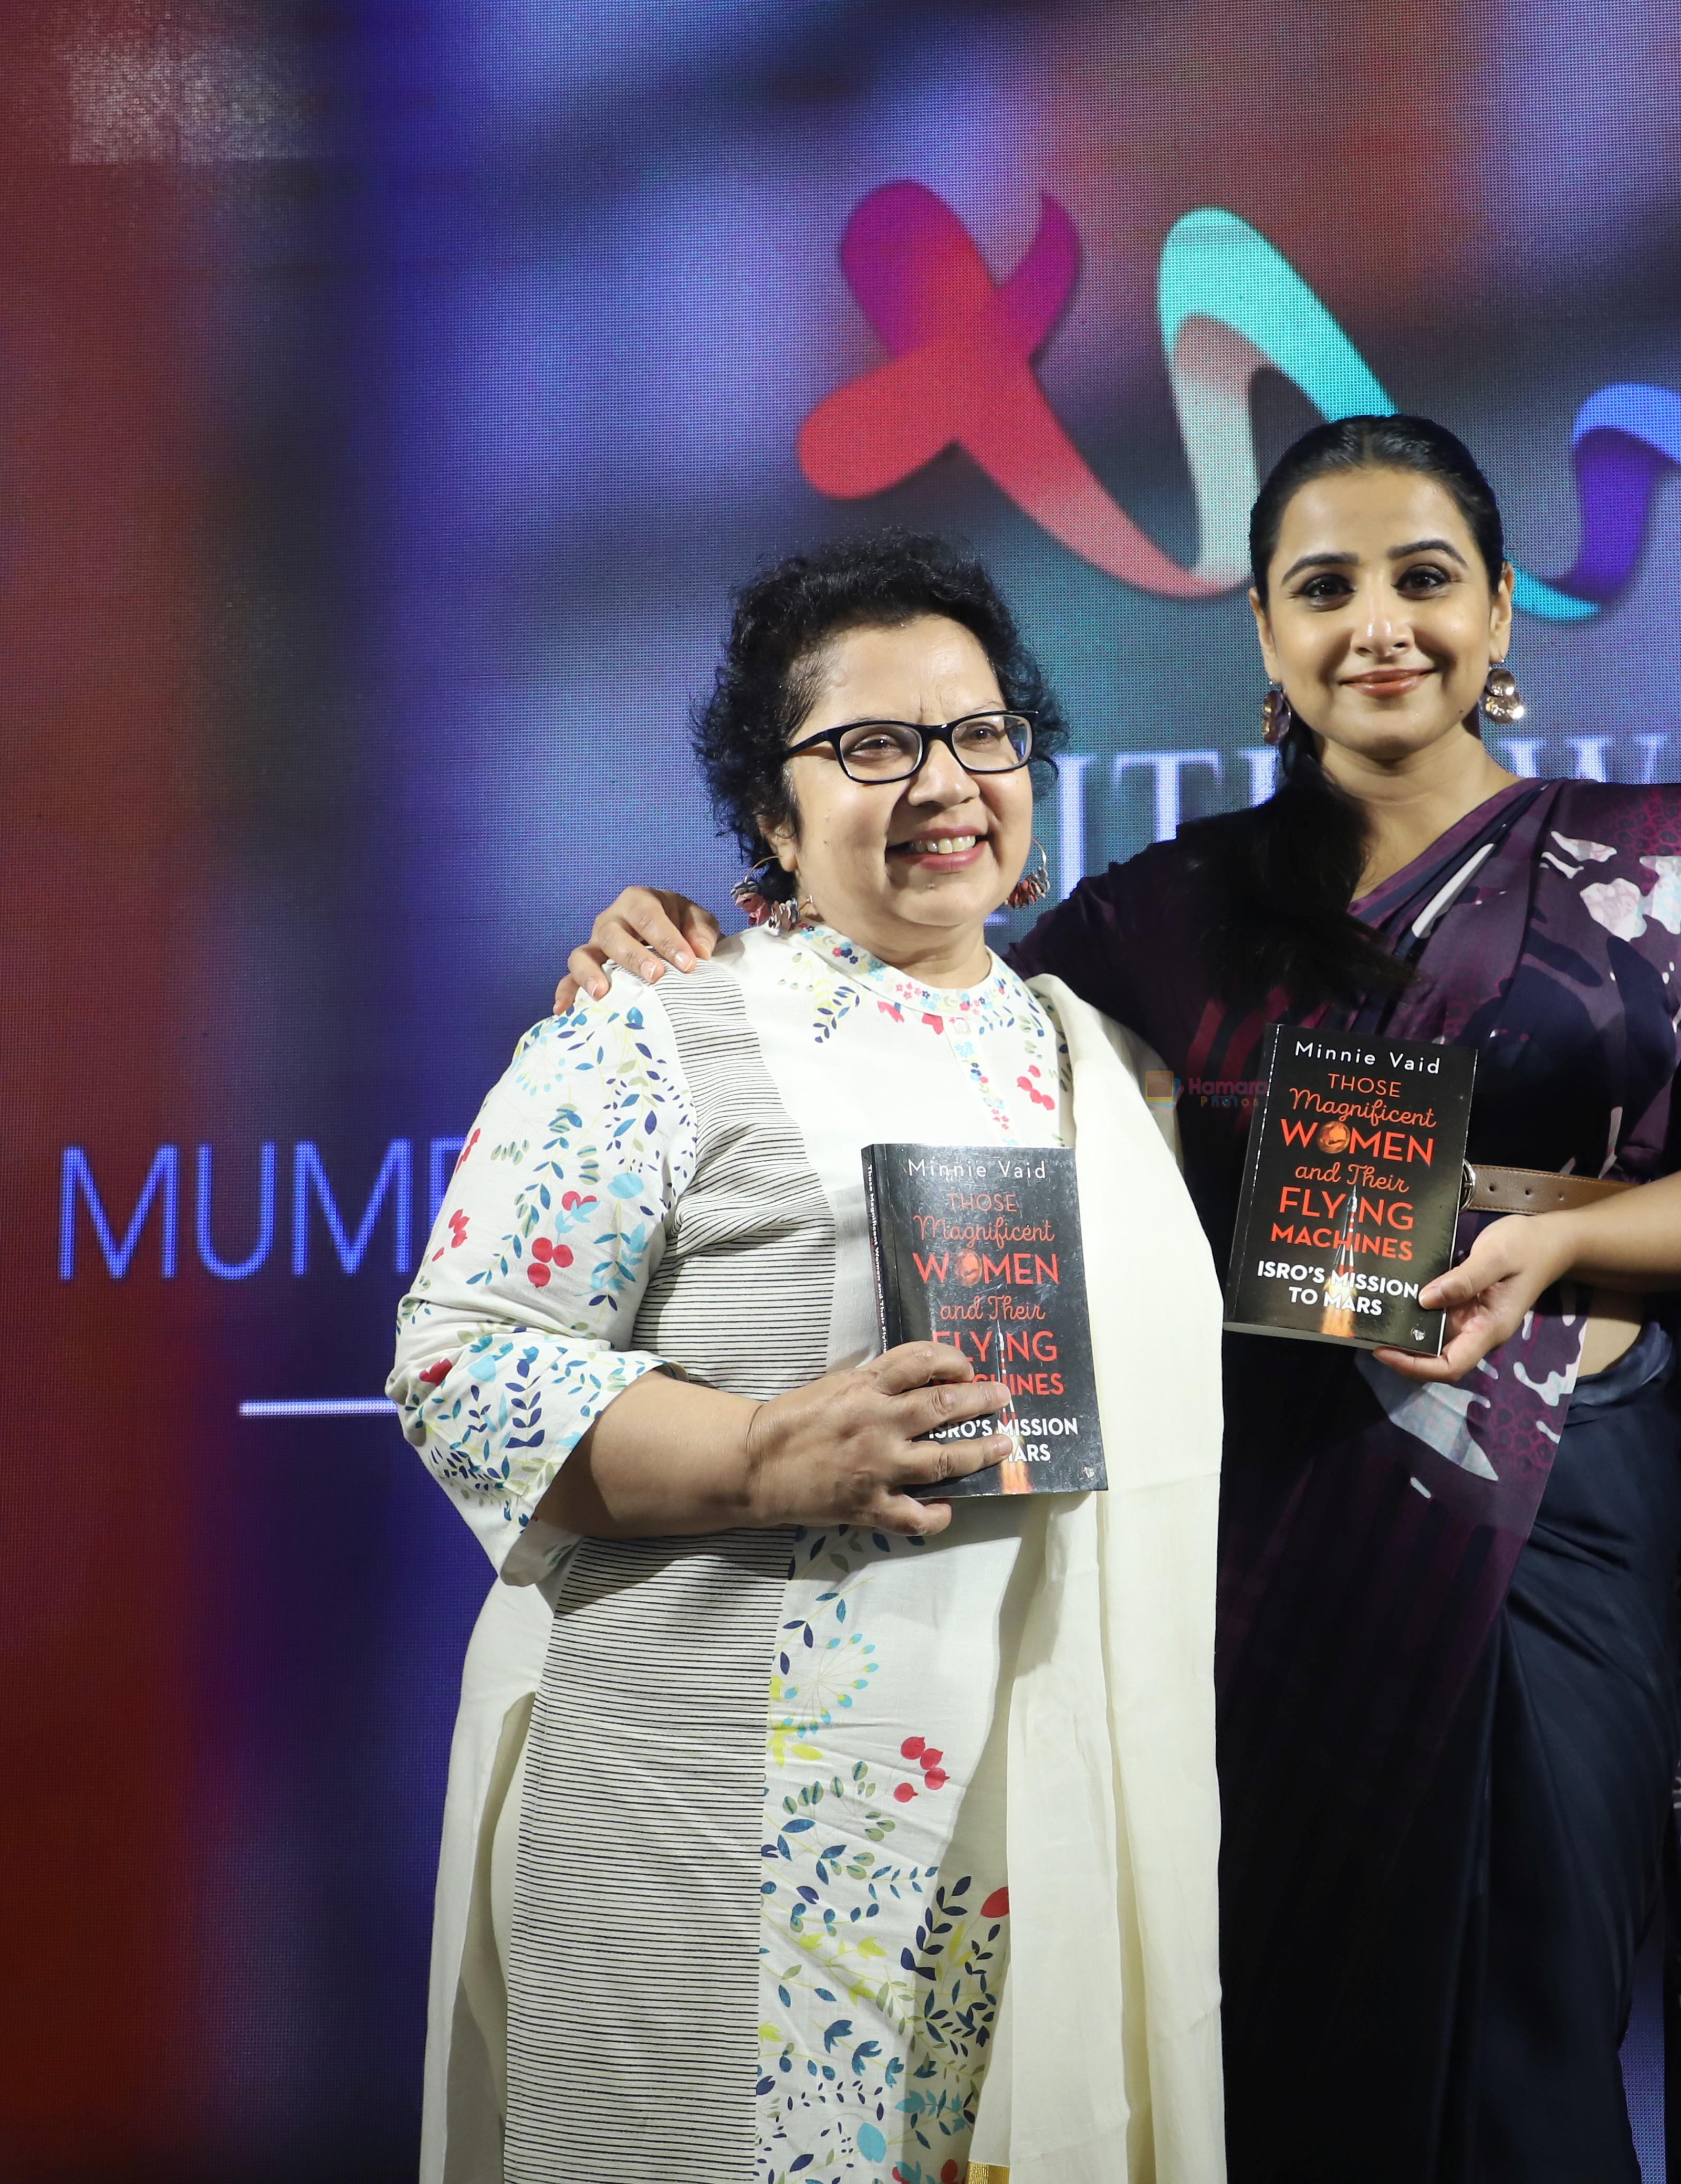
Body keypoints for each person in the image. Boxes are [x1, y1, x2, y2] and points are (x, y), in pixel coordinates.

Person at [562, 417, 1681, 2183]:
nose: (1383, 624)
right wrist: (682, 933)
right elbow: (920, 997)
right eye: (1325, 587)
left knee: (1524, 2018)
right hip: (1256, 1519)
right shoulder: (1176, 908)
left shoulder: (1663, 867)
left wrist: (1564, 1246)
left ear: (1501, 614)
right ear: (1269, 644)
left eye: (1426, 579)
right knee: (1274, 2036)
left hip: (1556, 1506)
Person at [393, 533, 1226, 2184]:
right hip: (698, 1825)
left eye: (983, 734)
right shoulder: (651, 1031)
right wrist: (770, 1451)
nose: (943, 780)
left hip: (1024, 1838)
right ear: (770, 813)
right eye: (871, 745)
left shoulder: (1107, 1071)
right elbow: (462, 1362)